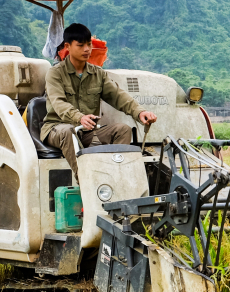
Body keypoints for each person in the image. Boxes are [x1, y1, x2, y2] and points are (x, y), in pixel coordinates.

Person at [41, 23, 157, 178]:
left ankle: (115, 177)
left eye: (89, 44)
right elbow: (59, 103)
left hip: (87, 131)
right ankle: (84, 181)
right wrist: (79, 117)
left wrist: (140, 112)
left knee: (123, 130)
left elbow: (118, 96)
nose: (87, 49)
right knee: (68, 131)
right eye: (81, 45)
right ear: (68, 46)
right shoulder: (55, 73)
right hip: (57, 129)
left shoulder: (98, 74)